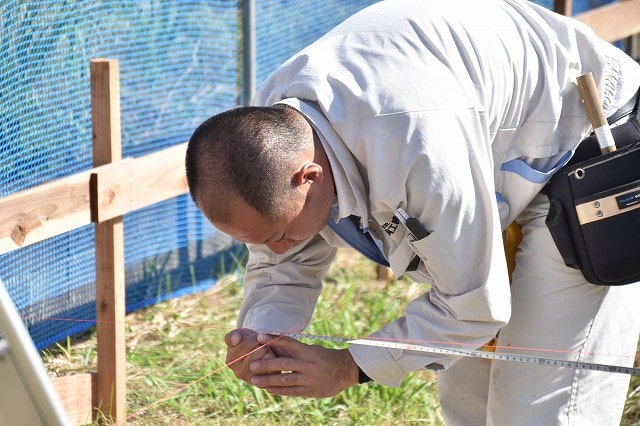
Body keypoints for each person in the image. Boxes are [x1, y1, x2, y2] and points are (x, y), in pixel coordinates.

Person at [185, 0, 640, 424]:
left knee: (540, 400)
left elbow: (474, 306)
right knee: (468, 394)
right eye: (256, 239)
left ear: (309, 177)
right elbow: (282, 251)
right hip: (495, 149)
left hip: (589, 148)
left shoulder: (415, 146)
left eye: (279, 233)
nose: (274, 250)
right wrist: (266, 335)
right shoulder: (276, 131)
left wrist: (349, 367)